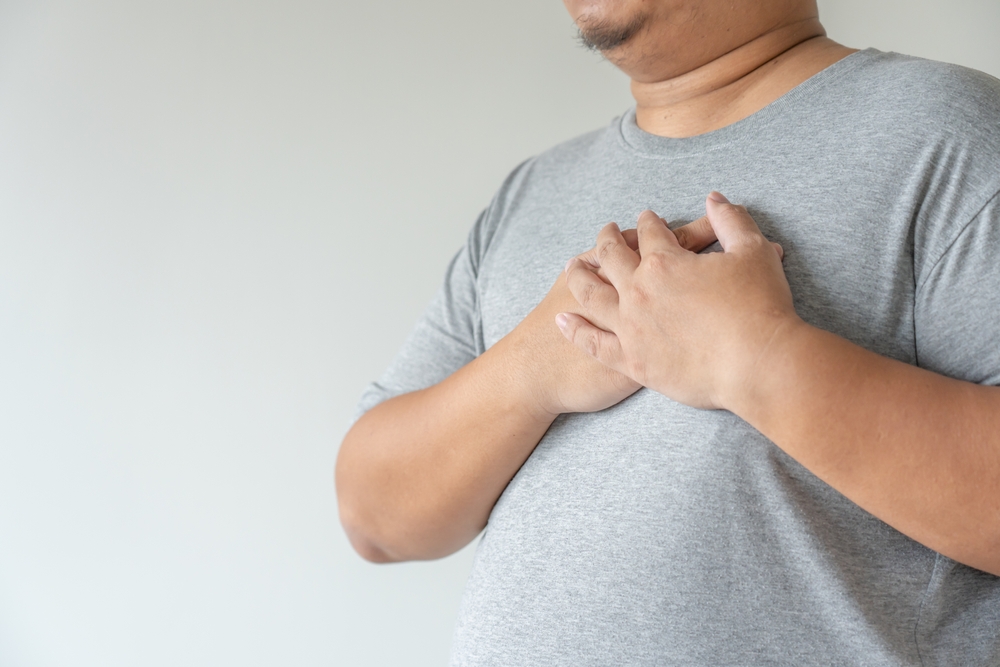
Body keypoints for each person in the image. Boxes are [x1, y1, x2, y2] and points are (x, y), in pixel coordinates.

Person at [337, 0, 1000, 663]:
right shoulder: (533, 191)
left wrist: (758, 359)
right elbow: (374, 519)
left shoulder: (953, 135)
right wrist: (531, 367)